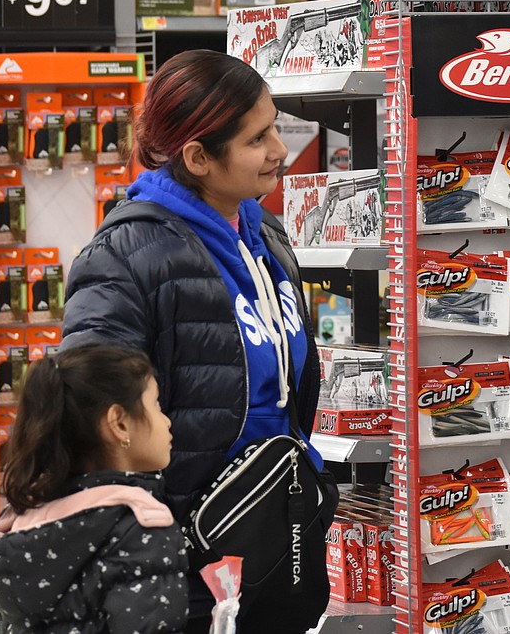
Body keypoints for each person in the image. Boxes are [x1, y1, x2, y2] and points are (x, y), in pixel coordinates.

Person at [61, 49, 335, 633]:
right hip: (179, 576)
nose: (281, 151)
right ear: (198, 157)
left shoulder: (267, 237)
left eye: (276, 127)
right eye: (259, 139)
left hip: (272, 550)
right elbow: (92, 426)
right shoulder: (124, 259)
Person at [0, 345, 188, 633]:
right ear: (119, 423)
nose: (166, 421)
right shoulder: (142, 529)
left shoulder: (24, 523)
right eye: (157, 406)